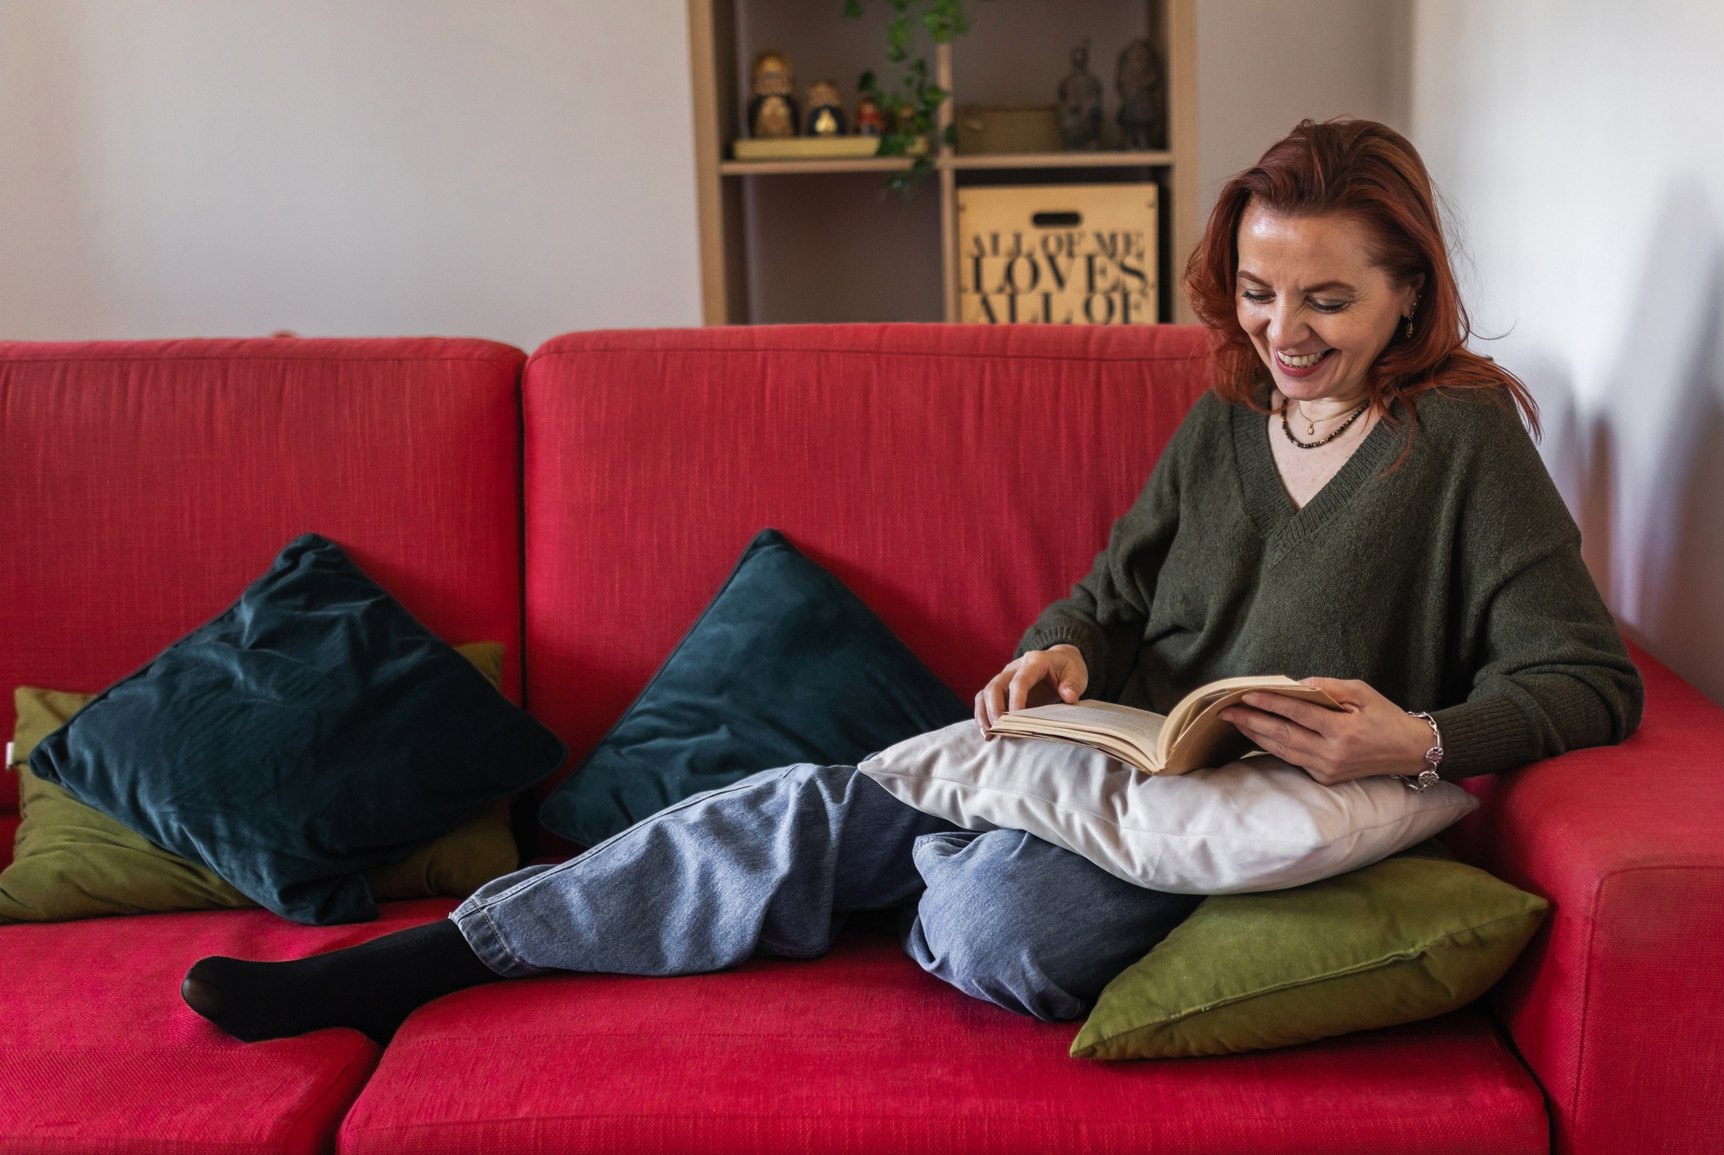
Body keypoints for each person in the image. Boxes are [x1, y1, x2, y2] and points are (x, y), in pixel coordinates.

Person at [181, 119, 1642, 1046]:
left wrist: (1420, 740)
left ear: (1408, 289)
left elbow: (1587, 677)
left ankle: (909, 872)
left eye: (1325, 299)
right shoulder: (1225, 419)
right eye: (1259, 294)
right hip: (1116, 764)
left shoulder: (1459, 444)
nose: (1282, 332)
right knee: (803, 805)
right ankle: (431, 959)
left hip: (1245, 812)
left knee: (999, 936)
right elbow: (1107, 600)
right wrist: (1059, 657)